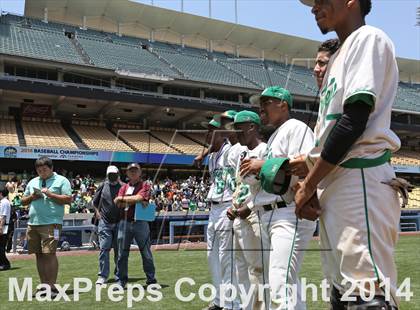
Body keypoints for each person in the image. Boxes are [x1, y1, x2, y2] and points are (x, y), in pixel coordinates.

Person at [297, 1, 401, 309]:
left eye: (321, 0)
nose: (314, 7)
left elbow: (353, 120)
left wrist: (308, 184)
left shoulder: (368, 38)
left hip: (360, 180)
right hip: (338, 183)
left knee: (366, 298)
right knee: (342, 295)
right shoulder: (339, 55)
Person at [242, 87, 316, 309]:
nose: (260, 108)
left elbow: (306, 164)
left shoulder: (297, 127)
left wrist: (262, 165)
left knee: (279, 281)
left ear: (283, 104)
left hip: (288, 211)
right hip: (269, 212)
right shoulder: (274, 135)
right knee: (286, 282)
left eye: (266, 102)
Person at [225, 110, 269, 310]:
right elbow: (239, 185)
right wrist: (233, 206)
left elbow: (269, 188)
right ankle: (246, 306)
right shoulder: (242, 152)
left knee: (258, 267)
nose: (235, 132)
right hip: (239, 214)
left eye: (238, 127)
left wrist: (249, 207)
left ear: (252, 126)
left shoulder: (265, 150)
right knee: (240, 267)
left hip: (255, 214)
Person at [203, 115, 243, 310]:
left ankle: (232, 304)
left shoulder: (233, 150)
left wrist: (236, 205)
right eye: (208, 130)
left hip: (227, 205)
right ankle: (219, 300)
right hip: (213, 208)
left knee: (227, 257)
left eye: (212, 130)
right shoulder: (211, 156)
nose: (208, 133)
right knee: (212, 256)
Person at [21, 156, 72, 295]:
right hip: (33, 223)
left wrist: (50, 194)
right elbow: (23, 201)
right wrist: (32, 197)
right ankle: (44, 285)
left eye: (44, 169)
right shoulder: (32, 182)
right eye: (39, 170)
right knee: (38, 254)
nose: (41, 172)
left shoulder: (62, 180)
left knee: (49, 254)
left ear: (51, 168)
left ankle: (52, 286)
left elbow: (68, 199)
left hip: (52, 223)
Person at [114, 163, 156, 289]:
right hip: (124, 223)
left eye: (135, 170)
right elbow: (118, 203)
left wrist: (124, 199)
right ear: (126, 173)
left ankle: (151, 279)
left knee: (146, 253)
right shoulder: (124, 187)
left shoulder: (145, 185)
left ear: (140, 172)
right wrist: (136, 199)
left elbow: (139, 197)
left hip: (140, 222)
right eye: (130, 171)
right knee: (121, 254)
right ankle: (121, 281)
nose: (133, 173)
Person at [93, 165, 124, 285]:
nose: (112, 177)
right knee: (104, 249)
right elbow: (94, 202)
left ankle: (119, 275)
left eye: (114, 175)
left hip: (120, 223)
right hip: (105, 222)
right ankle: (103, 276)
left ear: (118, 174)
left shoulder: (123, 187)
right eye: (110, 175)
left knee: (119, 251)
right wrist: (97, 214)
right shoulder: (102, 186)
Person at [0, 187, 11, 271]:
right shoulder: (4, 202)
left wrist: (0, 227)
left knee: (1, 246)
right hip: (3, 226)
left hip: (4, 226)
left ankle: (5, 263)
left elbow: (3, 216)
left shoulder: (4, 202)